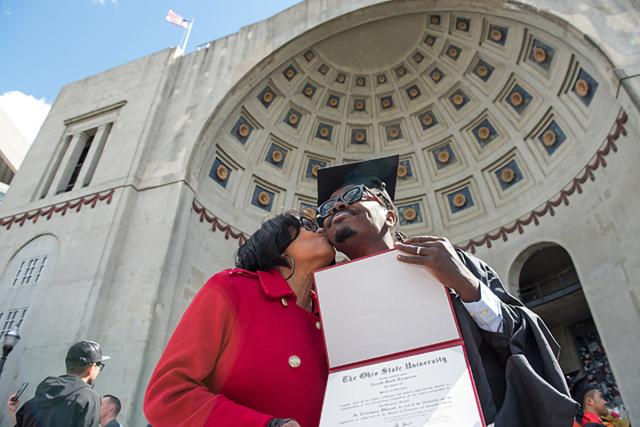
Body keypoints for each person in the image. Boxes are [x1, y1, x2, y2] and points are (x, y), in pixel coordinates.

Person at [315, 155, 578, 427]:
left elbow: (522, 339)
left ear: (390, 216)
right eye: (328, 208)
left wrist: (465, 284)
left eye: (354, 194)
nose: (339, 206)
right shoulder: (330, 304)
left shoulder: (452, 263)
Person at [144, 212, 335, 427]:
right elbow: (169, 395)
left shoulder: (332, 316)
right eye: (308, 225)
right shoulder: (232, 289)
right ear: (279, 243)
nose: (320, 229)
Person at [6, 340, 109, 427]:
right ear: (92, 367)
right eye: (100, 366)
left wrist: (13, 412)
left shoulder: (38, 396)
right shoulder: (89, 397)